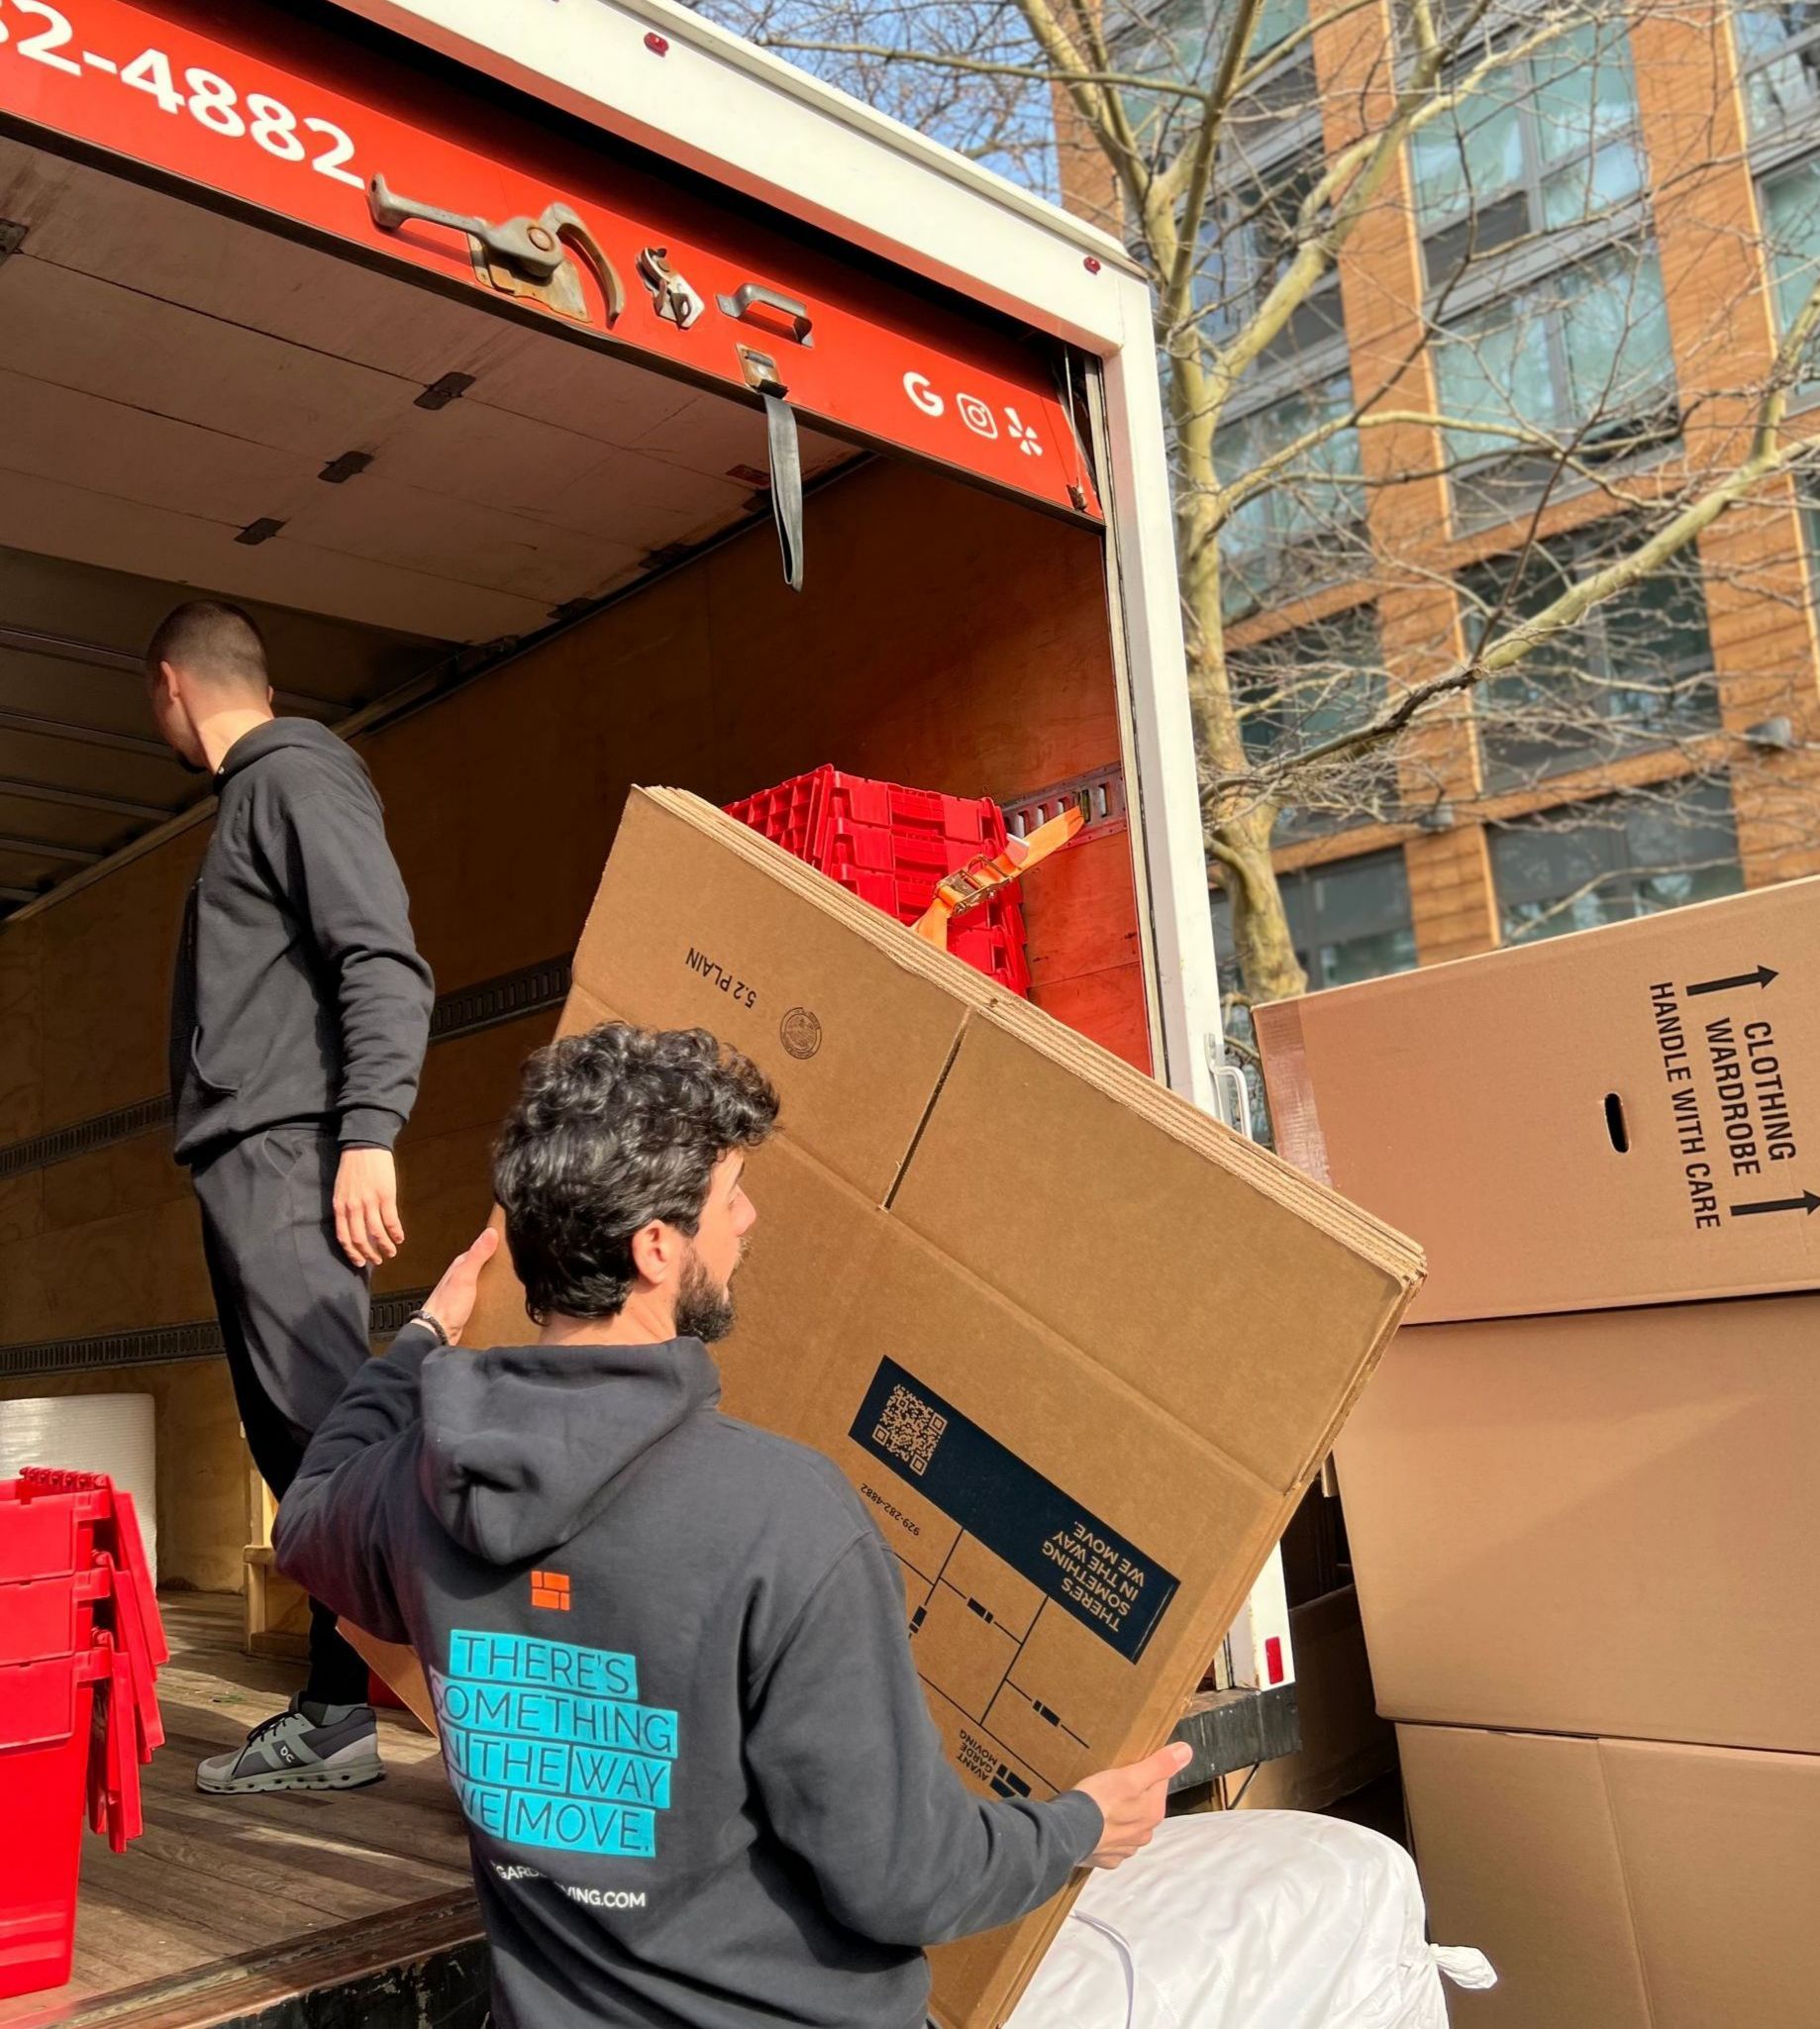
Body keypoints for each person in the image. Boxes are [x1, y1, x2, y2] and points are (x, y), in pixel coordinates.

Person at [274, 1022, 1190, 2029]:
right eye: (727, 1197)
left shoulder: (413, 1486)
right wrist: (1077, 1828)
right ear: (655, 1248)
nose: (746, 1219)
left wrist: (419, 1342)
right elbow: (902, 1879)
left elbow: (307, 1516)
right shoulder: (782, 1515)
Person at [147, 600, 434, 1794]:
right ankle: (336, 1707)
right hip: (253, 1157)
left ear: (170, 685)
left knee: (330, 1443)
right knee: (301, 1445)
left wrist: (368, 1132)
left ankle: (417, 1709)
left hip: (286, 1155)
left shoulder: (293, 779)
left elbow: (380, 955)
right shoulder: (262, 797)